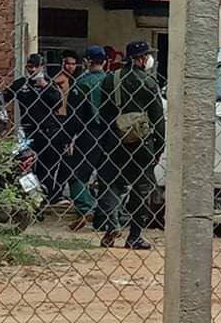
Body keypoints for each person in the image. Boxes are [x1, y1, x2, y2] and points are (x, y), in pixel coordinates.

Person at [94, 40, 165, 250]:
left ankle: (112, 224)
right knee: (141, 188)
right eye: (147, 55)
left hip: (114, 140)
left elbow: (103, 113)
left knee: (110, 183)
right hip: (141, 144)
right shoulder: (149, 83)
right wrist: (159, 147)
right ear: (141, 59)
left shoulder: (110, 79)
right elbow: (157, 118)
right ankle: (134, 236)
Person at [1, 54, 63, 204]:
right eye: (30, 67)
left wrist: (44, 86)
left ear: (42, 67)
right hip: (28, 130)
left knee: (46, 167)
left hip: (48, 131)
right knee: (25, 166)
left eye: (36, 67)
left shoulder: (49, 84)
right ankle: (32, 199)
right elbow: (4, 97)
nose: (33, 70)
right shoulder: (22, 84)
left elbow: (58, 103)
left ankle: (47, 198)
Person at [53, 50, 98, 228]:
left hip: (86, 133)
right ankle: (108, 216)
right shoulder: (111, 81)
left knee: (74, 173)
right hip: (109, 134)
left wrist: (68, 138)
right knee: (108, 176)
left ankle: (86, 208)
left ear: (86, 62)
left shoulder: (82, 83)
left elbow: (75, 116)